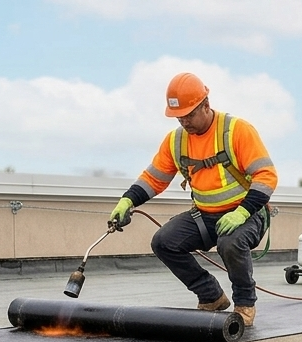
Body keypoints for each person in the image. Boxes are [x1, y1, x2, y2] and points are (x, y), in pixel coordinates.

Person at [108, 72, 278, 328]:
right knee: (164, 242)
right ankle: (211, 295)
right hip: (205, 217)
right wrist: (127, 201)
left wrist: (242, 212)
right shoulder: (176, 142)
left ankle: (245, 303)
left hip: (246, 215)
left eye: (189, 114)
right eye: (179, 116)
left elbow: (266, 176)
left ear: (206, 105)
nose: (184, 121)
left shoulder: (237, 131)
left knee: (230, 243)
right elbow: (154, 178)